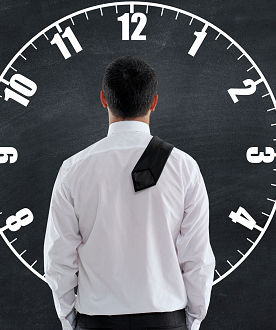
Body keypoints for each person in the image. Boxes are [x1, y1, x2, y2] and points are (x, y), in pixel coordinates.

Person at [43, 56, 216, 330]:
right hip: (166, 320)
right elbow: (197, 258)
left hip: (95, 322)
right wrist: (192, 321)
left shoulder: (73, 170)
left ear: (103, 99)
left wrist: (69, 320)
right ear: (154, 102)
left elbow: (58, 260)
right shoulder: (184, 167)